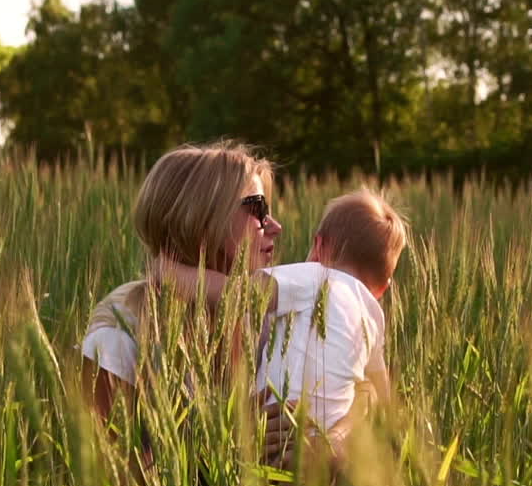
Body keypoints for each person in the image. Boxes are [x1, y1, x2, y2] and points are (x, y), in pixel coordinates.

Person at [155, 187, 409, 461]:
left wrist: (168, 272)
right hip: (324, 446)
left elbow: (237, 294)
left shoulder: (313, 277)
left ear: (319, 245)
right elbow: (382, 396)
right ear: (383, 288)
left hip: (274, 431)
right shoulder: (373, 316)